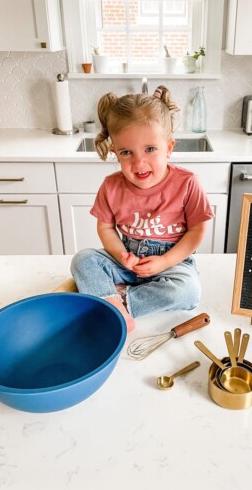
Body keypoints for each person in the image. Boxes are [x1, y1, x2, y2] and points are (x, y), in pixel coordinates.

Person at [71, 85, 214, 332]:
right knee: (83, 260)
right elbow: (105, 228)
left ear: (168, 148)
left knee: (188, 291)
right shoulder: (111, 186)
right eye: (127, 152)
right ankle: (112, 300)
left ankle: (119, 302)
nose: (139, 163)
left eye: (150, 149)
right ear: (115, 152)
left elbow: (197, 231)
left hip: (173, 263)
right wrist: (121, 256)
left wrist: (164, 261)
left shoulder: (187, 183)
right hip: (128, 260)